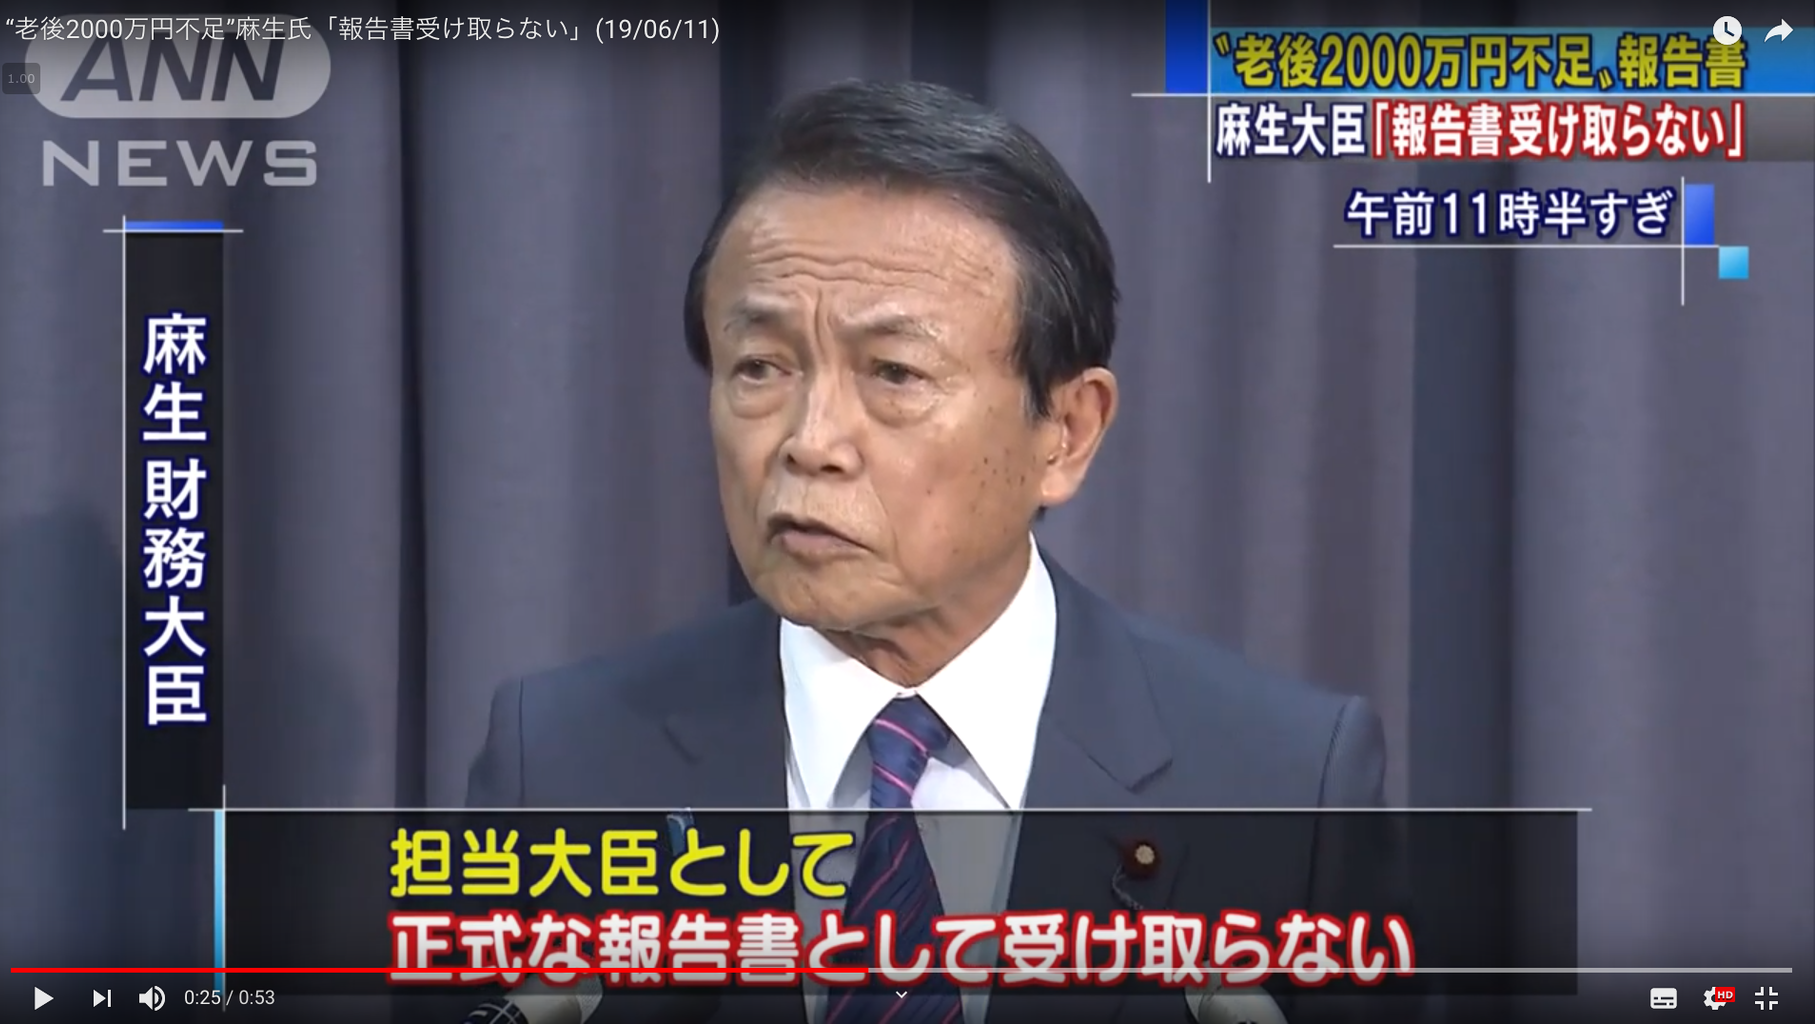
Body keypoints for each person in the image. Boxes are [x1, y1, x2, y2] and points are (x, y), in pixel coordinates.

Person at [470, 80, 1406, 1024]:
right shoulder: (559, 766)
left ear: (1066, 433)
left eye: (895, 373)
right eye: (759, 367)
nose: (810, 441)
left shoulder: (1287, 785)